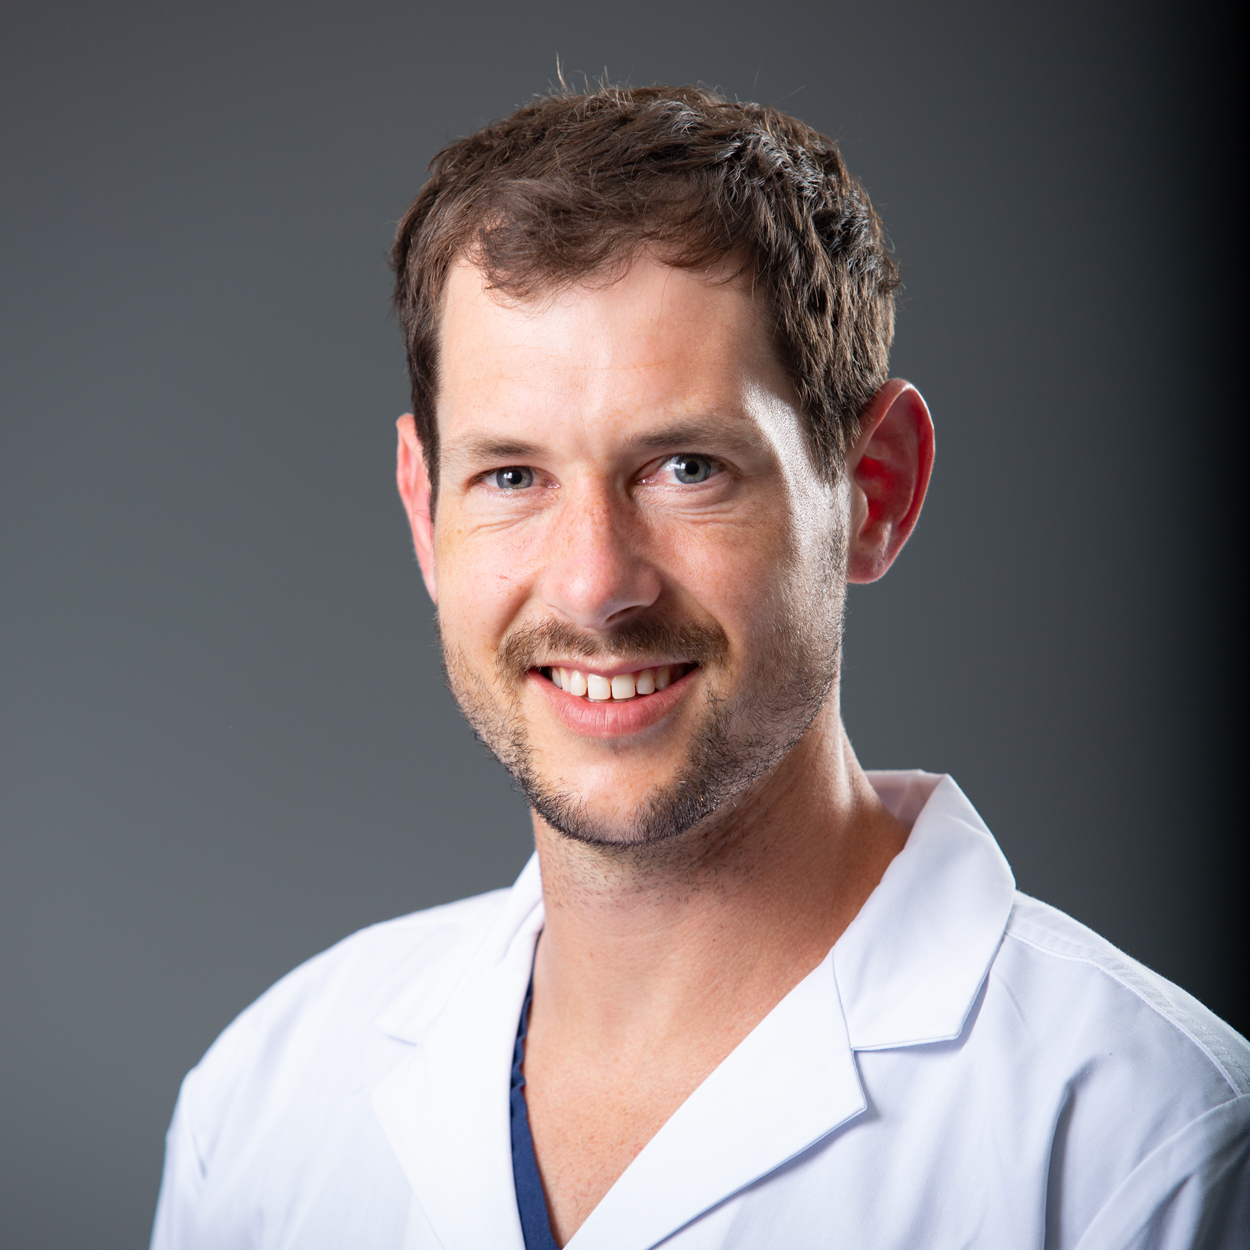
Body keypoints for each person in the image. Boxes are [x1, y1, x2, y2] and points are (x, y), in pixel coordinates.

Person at [150, 85, 1249, 1250]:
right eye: (511, 476)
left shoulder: (1150, 1149)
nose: (593, 585)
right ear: (425, 509)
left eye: (684, 468)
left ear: (871, 488)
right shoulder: (267, 1104)